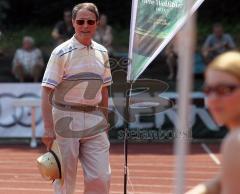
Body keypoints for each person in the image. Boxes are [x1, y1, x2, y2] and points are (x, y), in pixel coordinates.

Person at [41, 2, 112, 194]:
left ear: (97, 23)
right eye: (80, 21)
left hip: (94, 118)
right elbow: (46, 90)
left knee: (101, 176)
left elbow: (105, 89)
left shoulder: (103, 52)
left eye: (90, 21)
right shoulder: (61, 52)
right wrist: (48, 128)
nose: (85, 26)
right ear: (73, 22)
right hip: (65, 117)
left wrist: (105, 119)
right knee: (65, 178)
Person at [185, 51, 240, 194]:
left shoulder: (236, 142)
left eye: (224, 89)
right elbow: (222, 181)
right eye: (208, 90)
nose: (213, 98)